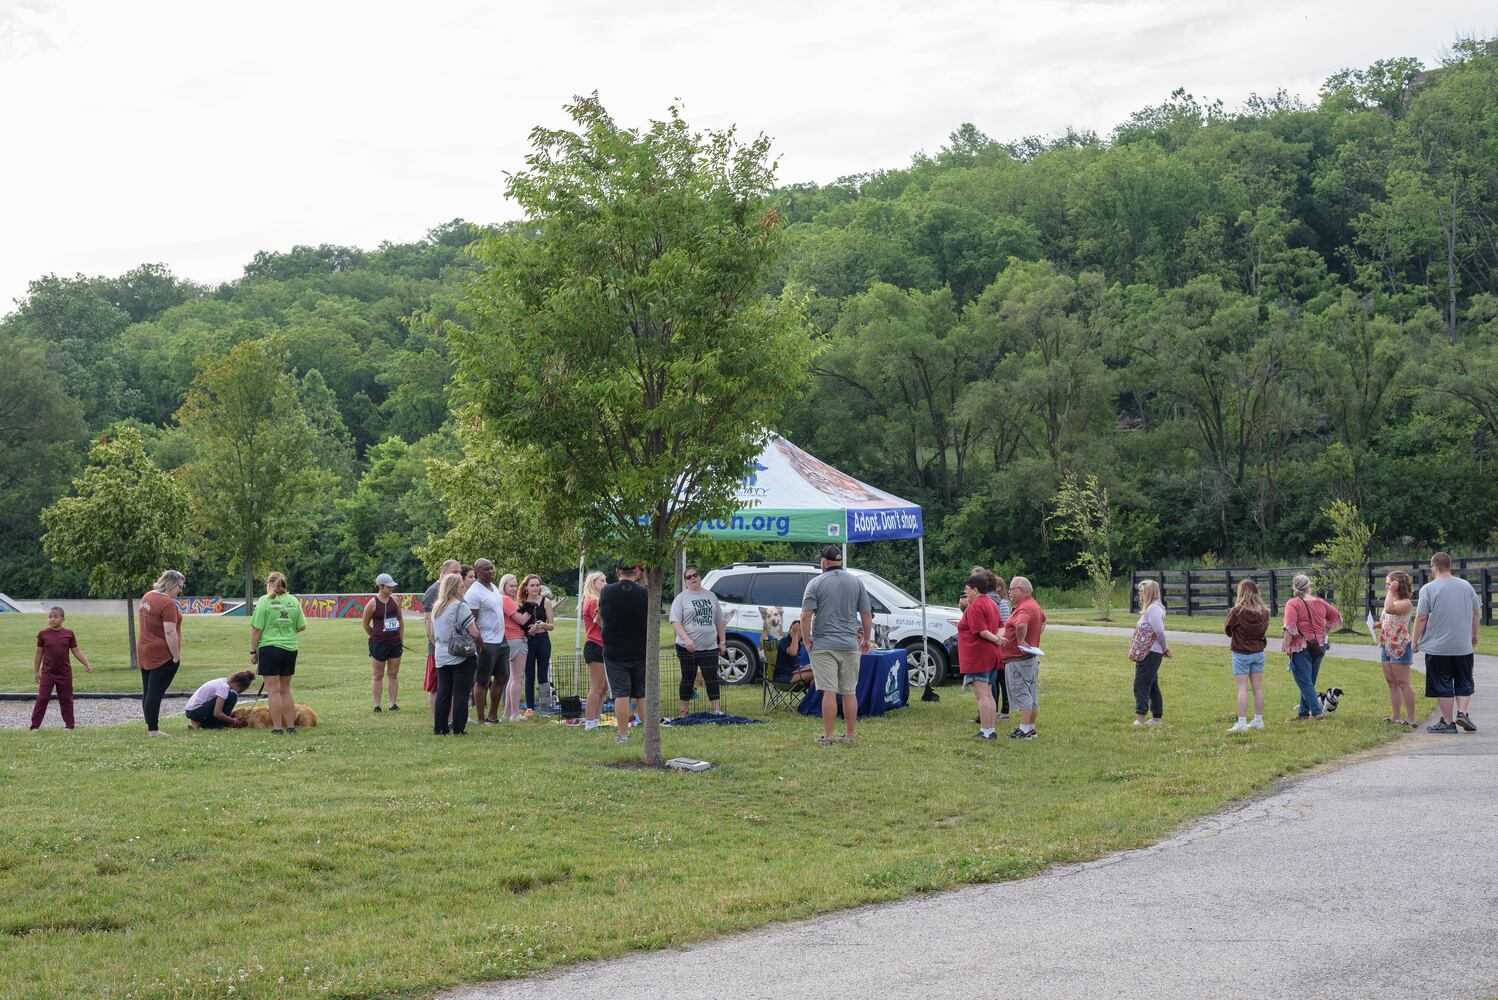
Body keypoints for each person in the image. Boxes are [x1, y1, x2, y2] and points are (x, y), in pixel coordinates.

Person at [800, 544, 873, 746]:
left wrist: (807, 641)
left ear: (824, 562)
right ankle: (850, 735)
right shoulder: (856, 582)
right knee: (850, 691)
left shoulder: (815, 583)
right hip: (849, 644)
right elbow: (866, 614)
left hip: (823, 644)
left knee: (829, 691)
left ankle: (829, 737)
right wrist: (866, 639)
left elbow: (806, 615)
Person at [1413, 553, 1481, 733]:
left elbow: (1421, 617)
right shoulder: (1466, 586)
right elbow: (1476, 613)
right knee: (1464, 679)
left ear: (1434, 567)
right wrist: (1474, 634)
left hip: (1438, 648)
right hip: (1462, 645)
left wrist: (1414, 641)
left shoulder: (1428, 589)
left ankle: (1448, 722)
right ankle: (1463, 713)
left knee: (1442, 682)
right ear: (1449, 566)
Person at [249, 571, 308, 735]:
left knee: (273, 691)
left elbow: (256, 629)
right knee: (285, 690)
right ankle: (290, 726)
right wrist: (287, 629)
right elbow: (301, 626)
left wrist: (253, 651)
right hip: (290, 648)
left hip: (270, 648)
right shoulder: (293, 601)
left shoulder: (264, 601)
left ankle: (277, 728)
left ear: (269, 584)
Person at [598, 560, 649, 744]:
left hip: (615, 651)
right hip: (641, 649)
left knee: (621, 694)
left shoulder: (607, 591)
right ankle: (647, 734)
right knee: (642, 693)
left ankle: (623, 735)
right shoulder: (644, 592)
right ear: (636, 571)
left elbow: (602, 616)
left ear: (617, 571)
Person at [1281, 574, 1342, 722]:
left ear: (1295, 588)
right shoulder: (1320, 602)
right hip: (1318, 647)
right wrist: (1323, 630)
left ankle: (1317, 713)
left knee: (1305, 682)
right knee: (1309, 681)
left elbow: (1290, 627)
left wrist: (1286, 646)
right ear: (1309, 586)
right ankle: (1303, 713)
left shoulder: (1293, 603)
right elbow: (1337, 617)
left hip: (1300, 647)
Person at [671, 565, 726, 717]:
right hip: (686, 647)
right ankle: (684, 710)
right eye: (689, 577)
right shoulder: (681, 598)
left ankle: (717, 709)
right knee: (688, 677)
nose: (693, 578)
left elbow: (719, 620)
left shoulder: (711, 596)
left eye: (695, 575)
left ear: (699, 577)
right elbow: (675, 621)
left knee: (711, 677)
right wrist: (687, 639)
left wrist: (722, 641)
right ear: (685, 581)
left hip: (710, 646)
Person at [136, 569, 186, 737]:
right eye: (179, 587)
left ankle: (150, 722)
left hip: (144, 649)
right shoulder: (168, 603)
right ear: (171, 584)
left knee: (148, 690)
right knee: (155, 692)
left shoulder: (147, 597)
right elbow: (169, 632)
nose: (180, 590)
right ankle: (153, 729)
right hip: (161, 654)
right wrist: (176, 655)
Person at [431, 572, 481, 735]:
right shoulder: (460, 606)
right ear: (455, 587)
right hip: (459, 654)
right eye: (461, 585)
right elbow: (474, 632)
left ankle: (440, 727)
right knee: (460, 692)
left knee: (443, 692)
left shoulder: (437, 607)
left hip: (441, 654)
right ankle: (459, 727)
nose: (463, 587)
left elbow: (433, 632)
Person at [956, 574, 1004, 740]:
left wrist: (997, 639)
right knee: (989, 693)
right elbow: (1000, 625)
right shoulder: (991, 603)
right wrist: (998, 639)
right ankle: (991, 730)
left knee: (982, 695)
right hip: (990, 655)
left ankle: (985, 731)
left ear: (975, 590)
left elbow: (982, 631)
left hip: (978, 655)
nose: (965, 592)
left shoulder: (976, 606)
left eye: (967, 589)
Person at [30, 606, 93, 731]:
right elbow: (38, 653)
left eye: (55, 616)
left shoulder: (69, 634)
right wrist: (36, 671)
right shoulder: (43, 634)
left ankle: (69, 726)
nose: (52, 619)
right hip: (48, 674)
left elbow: (76, 651)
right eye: (50, 617)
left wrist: (87, 663)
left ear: (63, 619)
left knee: (66, 700)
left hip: (64, 674)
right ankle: (34, 726)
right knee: (42, 698)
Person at [998, 576, 1046, 739]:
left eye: (1012, 589)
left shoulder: (1024, 608)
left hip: (1018, 660)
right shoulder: (1034, 605)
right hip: (1029, 659)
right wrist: (1034, 637)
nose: (1010, 592)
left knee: (1022, 694)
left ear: (1022, 590)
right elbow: (1044, 621)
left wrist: (1021, 641)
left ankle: (1024, 730)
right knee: (1031, 694)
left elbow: (1020, 624)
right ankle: (1031, 728)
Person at [1374, 570, 1418, 727]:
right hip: (1387, 645)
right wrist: (1377, 625)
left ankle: (1411, 719)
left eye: (1389, 584)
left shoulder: (1405, 603)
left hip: (1400, 646)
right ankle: (1396, 716)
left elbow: (1389, 609)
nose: (1387, 587)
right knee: (1391, 682)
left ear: (1398, 585)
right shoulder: (1391, 599)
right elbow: (1388, 619)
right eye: (1386, 584)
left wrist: (1391, 592)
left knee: (1403, 682)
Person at [1224, 579, 1268, 732]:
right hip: (1258, 652)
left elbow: (1228, 631)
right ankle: (1258, 720)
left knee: (1242, 689)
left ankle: (1242, 723)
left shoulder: (1236, 611)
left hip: (1241, 653)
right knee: (1257, 688)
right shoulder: (1263, 611)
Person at [465, 559, 507, 725]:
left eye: (491, 568)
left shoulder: (493, 587)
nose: (490, 571)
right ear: (477, 572)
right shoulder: (474, 593)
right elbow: (471, 622)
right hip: (486, 642)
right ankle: (481, 719)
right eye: (486, 569)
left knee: (502, 676)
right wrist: (481, 644)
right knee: (482, 680)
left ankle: (493, 716)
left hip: (501, 640)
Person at [422, 559, 462, 712]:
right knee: (436, 686)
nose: (459, 574)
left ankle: (450, 717)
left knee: (449, 686)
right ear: (443, 573)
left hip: (451, 647)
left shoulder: (452, 590)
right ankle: (438, 718)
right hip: (438, 649)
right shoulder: (434, 591)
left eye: (459, 571)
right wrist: (437, 644)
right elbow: (428, 621)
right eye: (454, 572)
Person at [1131, 579, 1172, 727]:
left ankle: (1140, 719)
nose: (1139, 594)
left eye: (1141, 591)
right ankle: (1157, 720)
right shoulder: (1154, 608)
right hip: (1152, 652)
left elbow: (1159, 631)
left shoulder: (1153, 609)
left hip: (1150, 652)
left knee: (1141, 684)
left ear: (1149, 592)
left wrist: (1165, 648)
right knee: (1152, 685)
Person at [363, 573, 404, 713]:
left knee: (393, 674)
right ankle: (377, 705)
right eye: (389, 586)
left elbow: (400, 620)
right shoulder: (372, 603)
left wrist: (401, 638)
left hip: (395, 643)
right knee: (378, 675)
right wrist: (373, 636)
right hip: (379, 644)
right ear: (380, 586)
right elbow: (365, 623)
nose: (392, 588)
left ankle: (393, 704)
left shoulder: (395, 600)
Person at [519, 575, 557, 712]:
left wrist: (543, 625)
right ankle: (530, 707)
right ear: (526, 587)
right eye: (532, 585)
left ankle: (545, 706)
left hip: (543, 640)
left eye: (537, 585)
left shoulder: (545, 602)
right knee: (529, 674)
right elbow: (518, 623)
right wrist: (529, 629)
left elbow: (552, 626)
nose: (535, 588)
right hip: (527, 641)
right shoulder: (521, 602)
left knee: (543, 674)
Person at [499, 574, 532, 720]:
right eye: (510, 586)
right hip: (515, 639)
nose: (514, 588)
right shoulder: (506, 599)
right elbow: (521, 619)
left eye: (515, 585)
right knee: (517, 678)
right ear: (503, 586)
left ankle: (508, 713)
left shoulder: (508, 600)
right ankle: (515, 713)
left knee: (513, 678)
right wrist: (530, 608)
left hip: (514, 638)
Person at [580, 571, 608, 731]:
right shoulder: (592, 601)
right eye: (601, 581)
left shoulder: (599, 600)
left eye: (605, 580)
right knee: (596, 687)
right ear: (593, 583)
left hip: (603, 646)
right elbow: (601, 623)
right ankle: (589, 722)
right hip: (595, 645)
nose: (605, 583)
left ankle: (595, 720)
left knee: (603, 688)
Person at [184, 670, 254, 730]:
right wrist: (232, 721)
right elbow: (217, 713)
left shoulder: (222, 681)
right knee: (233, 696)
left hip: (191, 710)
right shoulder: (224, 687)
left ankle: (198, 724)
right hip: (196, 711)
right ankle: (219, 725)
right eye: (240, 691)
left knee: (229, 696)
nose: (239, 693)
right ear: (237, 685)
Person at [774, 619, 814, 685]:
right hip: (784, 676)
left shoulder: (798, 644)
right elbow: (793, 652)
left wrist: (806, 667)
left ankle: (812, 695)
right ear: (791, 630)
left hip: (794, 672)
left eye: (800, 631)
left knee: (816, 679)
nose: (798, 633)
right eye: (796, 630)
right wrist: (795, 634)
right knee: (815, 674)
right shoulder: (784, 641)